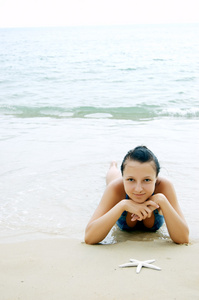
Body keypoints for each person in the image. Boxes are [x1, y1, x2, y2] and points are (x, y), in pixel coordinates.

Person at [85, 146, 189, 245]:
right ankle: (113, 166)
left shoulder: (163, 187)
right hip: (118, 185)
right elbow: (89, 238)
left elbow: (183, 239)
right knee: (112, 178)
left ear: (156, 178)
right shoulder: (116, 188)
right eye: (131, 179)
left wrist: (162, 200)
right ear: (123, 177)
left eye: (147, 180)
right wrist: (123, 205)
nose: (138, 189)